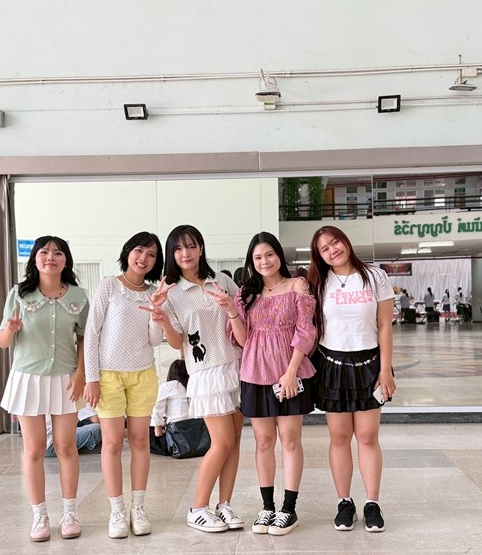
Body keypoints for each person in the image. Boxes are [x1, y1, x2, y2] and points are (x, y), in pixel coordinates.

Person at [142, 225, 244, 533]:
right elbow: (177, 342)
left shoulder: (222, 281)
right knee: (222, 442)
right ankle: (197, 508)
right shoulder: (171, 293)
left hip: (236, 365)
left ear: (201, 248)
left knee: (234, 441)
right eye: (178, 248)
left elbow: (242, 319)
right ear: (171, 254)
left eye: (191, 246)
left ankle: (224, 505)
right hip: (206, 372)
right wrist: (161, 319)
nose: (185, 253)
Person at [219, 232, 316, 536]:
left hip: (290, 373)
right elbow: (243, 340)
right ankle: (267, 507)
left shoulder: (297, 286)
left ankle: (289, 509)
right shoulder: (246, 295)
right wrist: (232, 311)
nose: (264, 261)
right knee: (263, 442)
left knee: (290, 439)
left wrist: (291, 372)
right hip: (255, 373)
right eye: (258, 257)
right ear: (252, 261)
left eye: (269, 254)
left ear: (279, 255)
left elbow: (305, 331)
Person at [0, 236, 89, 542]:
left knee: (66, 446)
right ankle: (39, 516)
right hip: (28, 377)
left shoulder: (78, 296)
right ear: (35, 259)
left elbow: (84, 339)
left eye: (58, 252)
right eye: (45, 252)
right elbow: (2, 342)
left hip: (66, 378)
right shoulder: (19, 294)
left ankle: (69, 513)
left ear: (66, 260)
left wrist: (81, 373)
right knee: (35, 448)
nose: (51, 257)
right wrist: (10, 330)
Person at [308, 225, 395, 533]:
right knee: (339, 437)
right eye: (325, 248)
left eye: (335, 242)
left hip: (370, 363)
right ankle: (344, 503)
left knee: (368, 436)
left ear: (345, 241)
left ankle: (372, 504)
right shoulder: (317, 283)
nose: (333, 250)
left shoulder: (375, 276)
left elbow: (385, 326)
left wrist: (386, 370)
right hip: (332, 364)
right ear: (319, 256)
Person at [83, 232, 164, 538]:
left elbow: (154, 340)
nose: (143, 258)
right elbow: (92, 333)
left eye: (151, 255)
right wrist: (92, 378)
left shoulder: (154, 293)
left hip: (143, 374)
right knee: (113, 442)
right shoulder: (109, 285)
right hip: (108, 376)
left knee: (141, 441)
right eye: (139, 251)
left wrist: (157, 313)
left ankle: (138, 508)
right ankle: (116, 511)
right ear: (128, 252)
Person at [151, 359, 192, 437]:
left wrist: (157, 428)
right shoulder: (192, 385)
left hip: (176, 427)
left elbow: (158, 407)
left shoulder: (167, 386)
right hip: (197, 426)